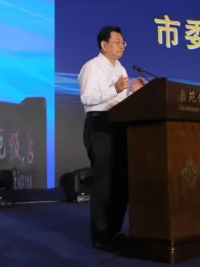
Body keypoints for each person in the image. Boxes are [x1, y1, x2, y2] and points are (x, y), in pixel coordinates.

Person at [77, 26, 144, 251]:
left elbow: (120, 102)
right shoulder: (91, 67)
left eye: (123, 42)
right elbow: (87, 98)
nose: (121, 45)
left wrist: (133, 93)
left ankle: (115, 232)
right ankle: (101, 237)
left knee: (121, 183)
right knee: (104, 183)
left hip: (120, 125)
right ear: (104, 45)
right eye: (117, 41)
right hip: (100, 125)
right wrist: (114, 89)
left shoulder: (121, 69)